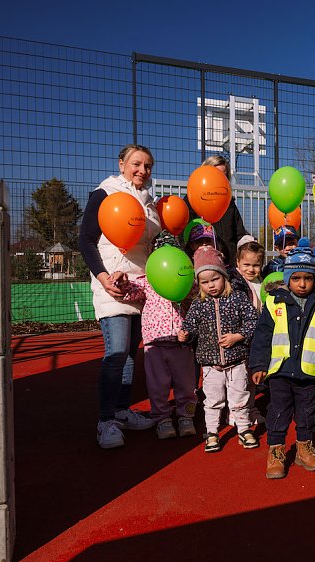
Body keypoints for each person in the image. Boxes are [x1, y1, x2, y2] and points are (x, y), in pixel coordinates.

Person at [78, 144, 162, 449]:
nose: (142, 171)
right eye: (136, 164)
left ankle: (122, 411)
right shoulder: (105, 193)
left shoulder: (150, 202)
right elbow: (86, 241)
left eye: (148, 166)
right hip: (112, 284)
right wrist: (102, 277)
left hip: (142, 285)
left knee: (129, 353)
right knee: (116, 352)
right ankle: (105, 421)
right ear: (122, 164)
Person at [249, 247, 315, 479]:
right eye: (296, 278)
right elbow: (262, 336)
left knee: (308, 412)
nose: (302, 284)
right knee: (279, 412)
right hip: (281, 370)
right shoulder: (274, 304)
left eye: (308, 278)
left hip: (310, 372)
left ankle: (304, 448)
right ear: (287, 278)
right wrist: (259, 365)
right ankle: (276, 451)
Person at [178, 246, 258, 453]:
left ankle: (244, 429)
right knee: (213, 401)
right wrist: (184, 335)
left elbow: (253, 321)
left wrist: (238, 336)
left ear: (224, 276)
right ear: (198, 284)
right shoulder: (198, 305)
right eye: (204, 282)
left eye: (215, 279)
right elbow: (190, 327)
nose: (211, 285)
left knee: (240, 398)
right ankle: (212, 433)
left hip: (237, 361)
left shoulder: (238, 298)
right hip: (211, 365)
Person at [119, 231, 197, 440]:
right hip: (155, 342)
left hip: (181, 341)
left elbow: (195, 295)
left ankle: (185, 416)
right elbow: (130, 293)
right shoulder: (147, 281)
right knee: (157, 384)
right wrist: (122, 282)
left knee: (186, 382)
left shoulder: (185, 279)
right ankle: (162, 419)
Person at [185, 155, 248, 264]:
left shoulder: (229, 204)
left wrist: (248, 243)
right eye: (216, 173)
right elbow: (184, 238)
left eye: (224, 175)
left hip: (228, 265)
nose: (219, 178)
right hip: (201, 267)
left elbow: (239, 233)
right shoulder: (191, 201)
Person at [236, 236, 265, 314]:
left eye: (256, 265)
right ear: (238, 262)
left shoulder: (263, 281)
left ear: (262, 265)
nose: (251, 270)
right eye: (246, 265)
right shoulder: (235, 283)